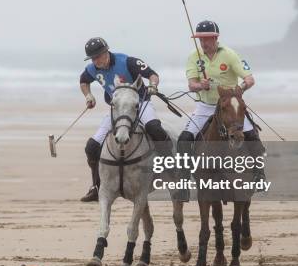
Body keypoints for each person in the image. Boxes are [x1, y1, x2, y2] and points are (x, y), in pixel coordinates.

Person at [79, 37, 174, 202]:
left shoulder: (128, 61)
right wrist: (88, 95)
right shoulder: (92, 69)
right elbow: (83, 81)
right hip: (117, 109)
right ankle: (96, 186)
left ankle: (171, 168)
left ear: (106, 52)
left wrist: (152, 86)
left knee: (154, 129)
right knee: (91, 147)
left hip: (140, 104)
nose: (96, 61)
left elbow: (152, 74)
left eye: (98, 56)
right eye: (93, 58)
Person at [177, 20, 266, 187]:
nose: (203, 43)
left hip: (230, 106)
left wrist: (240, 89)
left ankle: (259, 175)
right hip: (205, 107)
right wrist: (200, 85)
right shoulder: (193, 56)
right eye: (200, 39)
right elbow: (191, 85)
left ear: (216, 37)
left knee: (253, 136)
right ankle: (183, 180)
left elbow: (249, 79)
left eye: (207, 39)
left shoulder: (230, 55)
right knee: (184, 139)